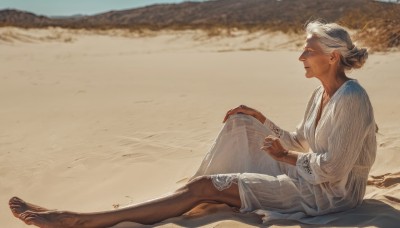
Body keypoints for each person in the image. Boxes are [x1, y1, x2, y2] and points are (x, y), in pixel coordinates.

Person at [9, 20, 377, 227]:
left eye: (308, 51)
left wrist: (284, 158)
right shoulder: (321, 95)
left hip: (329, 196)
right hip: (310, 178)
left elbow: (331, 168)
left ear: (331, 58)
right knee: (241, 127)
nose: (301, 56)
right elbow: (300, 141)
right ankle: (203, 191)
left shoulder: (353, 99)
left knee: (204, 187)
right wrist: (261, 119)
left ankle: (82, 221)